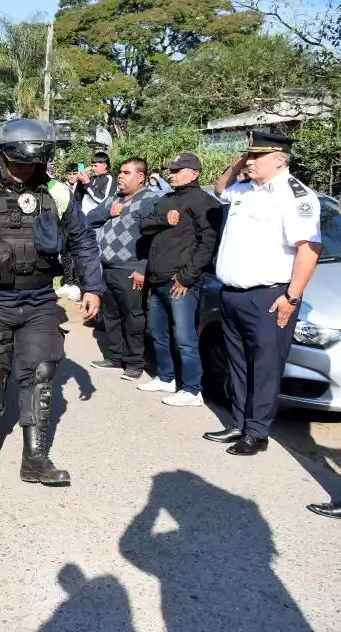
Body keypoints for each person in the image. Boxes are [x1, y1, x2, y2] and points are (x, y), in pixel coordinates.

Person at [0, 118, 104, 483]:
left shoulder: (58, 193)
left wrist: (93, 286)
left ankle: (35, 458)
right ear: (0, 158)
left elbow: (82, 242)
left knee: (42, 373)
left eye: (31, 163)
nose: (23, 170)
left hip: (40, 300)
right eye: (16, 162)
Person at [203, 132, 323, 456]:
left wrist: (292, 297)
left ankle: (257, 433)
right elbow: (218, 187)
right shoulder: (243, 189)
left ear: (280, 159)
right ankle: (239, 423)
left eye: (258, 156)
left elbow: (309, 250)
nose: (250, 161)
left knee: (265, 367)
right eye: (248, 155)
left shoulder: (296, 196)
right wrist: (242, 161)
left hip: (269, 297)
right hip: (232, 294)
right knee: (237, 364)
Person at [137, 153, 219, 406]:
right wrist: (164, 219)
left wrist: (186, 277)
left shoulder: (205, 202)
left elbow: (208, 244)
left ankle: (193, 389)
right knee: (159, 334)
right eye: (170, 171)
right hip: (157, 278)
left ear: (194, 173)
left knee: (185, 339)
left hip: (181, 282)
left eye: (177, 170)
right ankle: (166, 377)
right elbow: (145, 226)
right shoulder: (167, 199)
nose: (171, 174)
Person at [89, 157, 162, 380]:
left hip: (131, 268)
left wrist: (142, 267)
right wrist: (108, 213)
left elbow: (155, 237)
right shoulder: (114, 199)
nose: (120, 176)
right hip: (109, 267)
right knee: (111, 314)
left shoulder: (150, 200)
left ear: (141, 177)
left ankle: (134, 363)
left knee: (133, 317)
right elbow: (89, 218)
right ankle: (114, 356)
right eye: (120, 172)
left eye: (126, 172)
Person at [56, 163, 85, 301]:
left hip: (79, 225)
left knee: (78, 255)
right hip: (64, 225)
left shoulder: (83, 186)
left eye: (75, 173)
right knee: (65, 254)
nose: (72, 176)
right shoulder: (62, 187)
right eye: (70, 173)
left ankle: (78, 286)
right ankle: (68, 282)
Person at [74, 151, 115, 216]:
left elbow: (102, 200)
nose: (93, 168)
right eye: (92, 166)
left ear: (104, 166)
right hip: (84, 218)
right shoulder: (92, 179)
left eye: (95, 166)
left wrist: (87, 183)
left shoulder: (109, 178)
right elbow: (77, 197)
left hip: (98, 221)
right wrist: (80, 181)